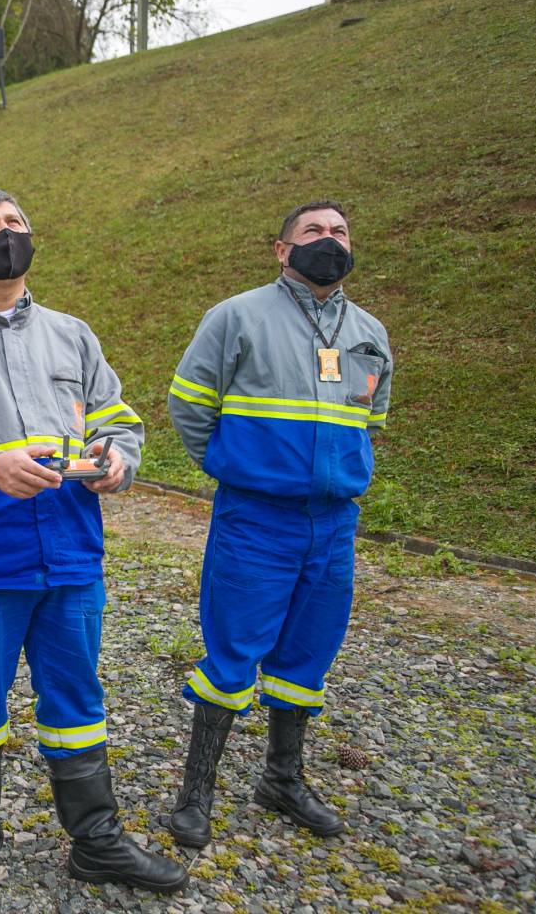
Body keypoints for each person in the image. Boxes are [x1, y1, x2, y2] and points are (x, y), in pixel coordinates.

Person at [0, 188, 187, 909]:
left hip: (71, 553)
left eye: (16, 224)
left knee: (78, 697)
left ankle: (96, 839)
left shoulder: (71, 334)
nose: (7, 235)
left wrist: (117, 459)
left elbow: (118, 419)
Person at [164, 200, 392, 849]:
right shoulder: (236, 317)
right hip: (256, 519)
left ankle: (282, 779)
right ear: (281, 248)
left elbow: (371, 419)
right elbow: (188, 406)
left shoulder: (369, 331)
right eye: (314, 231)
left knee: (307, 654)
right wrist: (233, 466)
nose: (329, 241)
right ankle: (196, 793)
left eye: (340, 231)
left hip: (333, 524)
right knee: (233, 652)